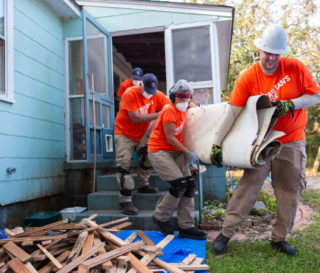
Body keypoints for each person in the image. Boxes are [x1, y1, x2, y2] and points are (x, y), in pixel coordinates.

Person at [210, 24, 320, 256]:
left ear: (282, 53)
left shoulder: (295, 68)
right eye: (267, 51)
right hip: (262, 141)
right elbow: (232, 112)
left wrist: (293, 104)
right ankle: (226, 234)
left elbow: (315, 95)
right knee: (248, 185)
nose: (270, 58)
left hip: (292, 140)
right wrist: (216, 144)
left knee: (290, 189)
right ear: (259, 49)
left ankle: (279, 238)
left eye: (275, 53)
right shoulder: (249, 77)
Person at [148, 79, 208, 240]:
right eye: (180, 98)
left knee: (189, 184)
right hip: (160, 150)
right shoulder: (169, 110)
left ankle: (186, 227)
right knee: (179, 184)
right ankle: (160, 217)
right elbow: (169, 137)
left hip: (176, 152)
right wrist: (189, 153)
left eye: (186, 98)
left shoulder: (187, 106)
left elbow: (195, 109)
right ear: (173, 97)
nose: (183, 101)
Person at [114, 73, 170, 215]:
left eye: (152, 92)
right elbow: (136, 118)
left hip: (142, 134)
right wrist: (159, 114)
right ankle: (125, 200)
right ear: (141, 85)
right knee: (124, 164)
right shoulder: (130, 93)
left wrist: (188, 104)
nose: (149, 95)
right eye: (147, 91)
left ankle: (143, 184)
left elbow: (170, 106)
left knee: (148, 155)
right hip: (123, 133)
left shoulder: (157, 94)